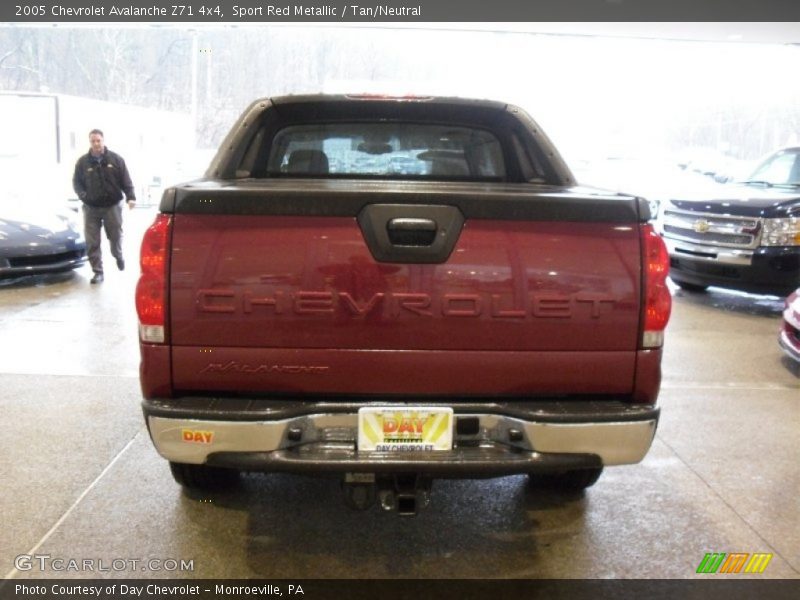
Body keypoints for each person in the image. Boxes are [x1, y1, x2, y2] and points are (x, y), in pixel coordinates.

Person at [72, 129, 136, 284]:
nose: (96, 144)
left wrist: (131, 197)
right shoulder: (83, 162)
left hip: (112, 207)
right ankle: (97, 272)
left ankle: (118, 256)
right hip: (91, 208)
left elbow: (126, 180)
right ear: (90, 142)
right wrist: (84, 196)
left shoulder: (115, 160)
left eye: (98, 140)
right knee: (92, 241)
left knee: (115, 237)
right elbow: (76, 182)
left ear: (103, 140)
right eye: (93, 141)